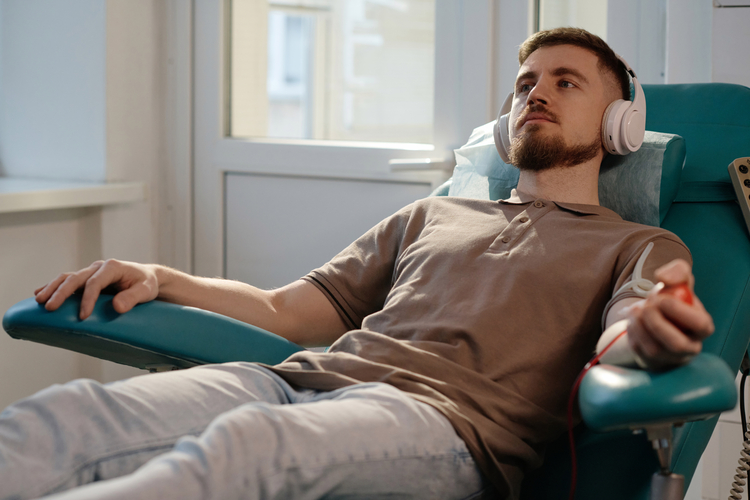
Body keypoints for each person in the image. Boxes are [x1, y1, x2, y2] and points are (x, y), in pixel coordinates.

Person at [0, 28, 714, 500]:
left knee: (244, 452)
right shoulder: (433, 216)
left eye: (566, 82)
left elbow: (634, 324)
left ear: (621, 124)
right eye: (527, 82)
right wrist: (162, 276)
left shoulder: (636, 245)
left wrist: (647, 336)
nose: (536, 93)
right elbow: (289, 309)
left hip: (442, 425)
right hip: (296, 384)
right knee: (69, 414)